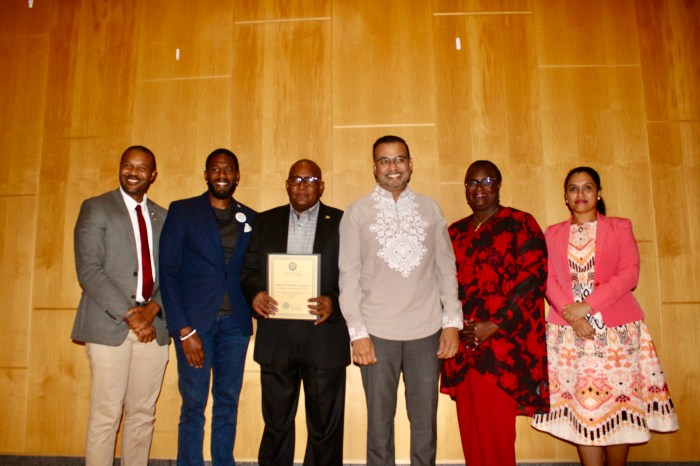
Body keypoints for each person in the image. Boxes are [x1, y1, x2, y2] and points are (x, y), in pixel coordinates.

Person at [532, 167, 679, 466]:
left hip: (617, 334)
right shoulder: (552, 233)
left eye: (587, 187)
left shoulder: (620, 227)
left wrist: (587, 306)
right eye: (573, 189)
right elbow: (546, 278)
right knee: (583, 409)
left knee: (618, 407)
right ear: (565, 197)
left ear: (598, 193)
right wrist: (571, 315)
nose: (581, 194)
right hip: (568, 335)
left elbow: (630, 273)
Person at [338, 135, 462, 466]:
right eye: (384, 160)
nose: (392, 167)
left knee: (425, 425)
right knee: (379, 429)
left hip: (427, 332)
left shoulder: (430, 208)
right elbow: (348, 276)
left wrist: (452, 323)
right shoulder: (357, 213)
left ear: (410, 164)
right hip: (377, 333)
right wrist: (357, 332)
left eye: (399, 159)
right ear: (374, 167)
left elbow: (445, 269)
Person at [439, 160, 549, 466]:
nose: (479, 189)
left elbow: (532, 279)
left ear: (498, 184)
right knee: (472, 436)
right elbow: (440, 283)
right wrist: (451, 325)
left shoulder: (521, 223)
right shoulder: (454, 232)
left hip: (502, 349)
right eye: (472, 183)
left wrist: (496, 324)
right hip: (462, 347)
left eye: (486, 181)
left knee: (496, 439)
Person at [241, 159, 350, 466]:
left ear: (321, 186)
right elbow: (248, 271)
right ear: (287, 184)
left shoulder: (343, 222)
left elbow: (357, 276)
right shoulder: (265, 222)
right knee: (276, 425)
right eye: (296, 179)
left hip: (324, 336)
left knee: (325, 429)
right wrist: (255, 294)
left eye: (310, 179)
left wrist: (334, 301)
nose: (302, 185)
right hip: (277, 338)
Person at [72, 145, 169, 466]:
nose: (133, 172)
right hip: (108, 325)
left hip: (152, 330)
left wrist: (151, 312)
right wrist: (132, 316)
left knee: (143, 414)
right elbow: (89, 270)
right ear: (120, 168)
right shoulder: (97, 208)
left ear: (152, 175)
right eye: (128, 165)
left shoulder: (164, 217)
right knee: (106, 415)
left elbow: (173, 274)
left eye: (142, 168)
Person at [159, 148, 256, 466]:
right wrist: (183, 330)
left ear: (237, 176)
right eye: (215, 169)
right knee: (194, 404)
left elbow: (254, 270)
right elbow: (169, 273)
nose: (222, 174)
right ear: (206, 174)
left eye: (228, 169)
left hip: (235, 326)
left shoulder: (251, 218)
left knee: (227, 402)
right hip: (195, 326)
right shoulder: (183, 211)